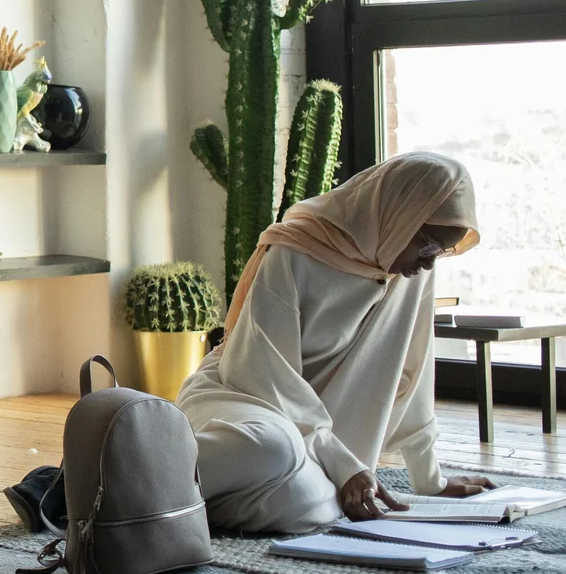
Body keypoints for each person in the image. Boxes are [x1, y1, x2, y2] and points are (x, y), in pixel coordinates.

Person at [177, 152, 495, 534]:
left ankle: (178, 500)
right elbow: (263, 378)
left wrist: (431, 480)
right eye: (426, 245)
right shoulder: (294, 254)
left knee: (316, 504)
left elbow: (414, 372)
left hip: (316, 439)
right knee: (274, 448)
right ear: (397, 215)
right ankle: (125, 475)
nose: (429, 263)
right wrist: (342, 463)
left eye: (441, 252)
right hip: (244, 400)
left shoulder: (408, 271)